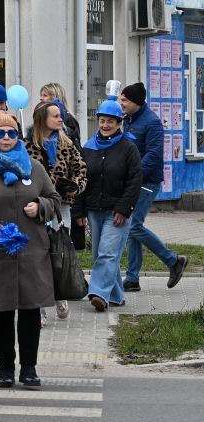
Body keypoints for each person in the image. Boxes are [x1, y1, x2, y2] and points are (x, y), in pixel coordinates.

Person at [0, 111, 61, 389]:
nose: (5, 138)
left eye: (11, 133)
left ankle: (29, 368)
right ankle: (6, 368)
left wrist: (40, 206)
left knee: (29, 311)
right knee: (0, 311)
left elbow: (54, 199)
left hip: (31, 251)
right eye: (0, 133)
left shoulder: (34, 167)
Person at [72, 96, 142, 312]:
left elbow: (135, 181)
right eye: (102, 120)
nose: (105, 125)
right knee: (100, 256)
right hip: (93, 210)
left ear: (119, 123)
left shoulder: (128, 148)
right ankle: (116, 295)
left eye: (110, 121)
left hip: (117, 211)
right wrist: (79, 210)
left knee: (107, 254)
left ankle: (97, 293)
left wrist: (124, 208)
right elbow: (81, 180)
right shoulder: (88, 147)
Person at [120, 82, 188, 292]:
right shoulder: (128, 120)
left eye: (125, 100)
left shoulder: (152, 123)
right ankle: (132, 278)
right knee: (133, 229)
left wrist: (134, 174)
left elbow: (153, 155)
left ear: (136, 102)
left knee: (133, 226)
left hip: (147, 182)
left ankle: (173, 260)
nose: (121, 103)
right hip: (132, 181)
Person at [25, 100, 87, 322]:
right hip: (37, 208)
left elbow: (81, 170)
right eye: (56, 116)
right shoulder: (27, 146)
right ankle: (39, 307)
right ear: (43, 119)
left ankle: (60, 294)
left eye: (60, 115)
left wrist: (74, 186)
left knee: (59, 253)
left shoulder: (66, 143)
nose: (61, 119)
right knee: (38, 256)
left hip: (61, 208)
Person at [38, 82, 82, 148]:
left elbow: (76, 146)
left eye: (45, 95)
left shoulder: (69, 119)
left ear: (55, 97)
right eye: (41, 95)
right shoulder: (41, 118)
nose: (41, 98)